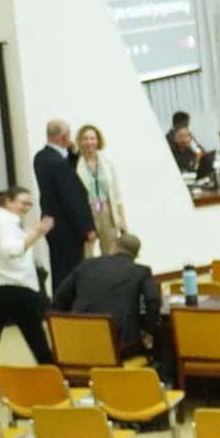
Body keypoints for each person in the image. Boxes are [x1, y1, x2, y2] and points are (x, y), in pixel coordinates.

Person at [52, 231, 160, 357]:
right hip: (119, 347)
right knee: (154, 353)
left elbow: (60, 297)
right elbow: (153, 300)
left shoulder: (87, 264)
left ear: (113, 247)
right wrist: (148, 329)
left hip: (79, 345)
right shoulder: (141, 271)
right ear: (136, 255)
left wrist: (67, 325)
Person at [33, 118, 95, 291]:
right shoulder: (58, 163)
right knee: (72, 271)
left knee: (59, 269)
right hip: (68, 227)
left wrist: (73, 153)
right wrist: (87, 227)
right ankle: (72, 311)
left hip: (52, 224)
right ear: (65, 136)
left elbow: (65, 175)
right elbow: (73, 198)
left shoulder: (41, 157)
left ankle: (60, 309)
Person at [0, 188, 55, 364]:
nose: (27, 207)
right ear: (8, 202)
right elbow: (11, 250)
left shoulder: (0, 220)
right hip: (17, 289)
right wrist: (38, 233)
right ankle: (54, 380)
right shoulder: (7, 222)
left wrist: (31, 233)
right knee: (37, 339)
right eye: (23, 202)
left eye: (30, 203)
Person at [74, 124, 127, 257]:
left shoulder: (107, 162)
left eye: (92, 138)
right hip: (87, 214)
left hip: (107, 213)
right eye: (85, 138)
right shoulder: (74, 164)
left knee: (111, 254)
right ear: (80, 141)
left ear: (98, 140)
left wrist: (123, 221)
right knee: (87, 255)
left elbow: (116, 194)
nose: (89, 142)